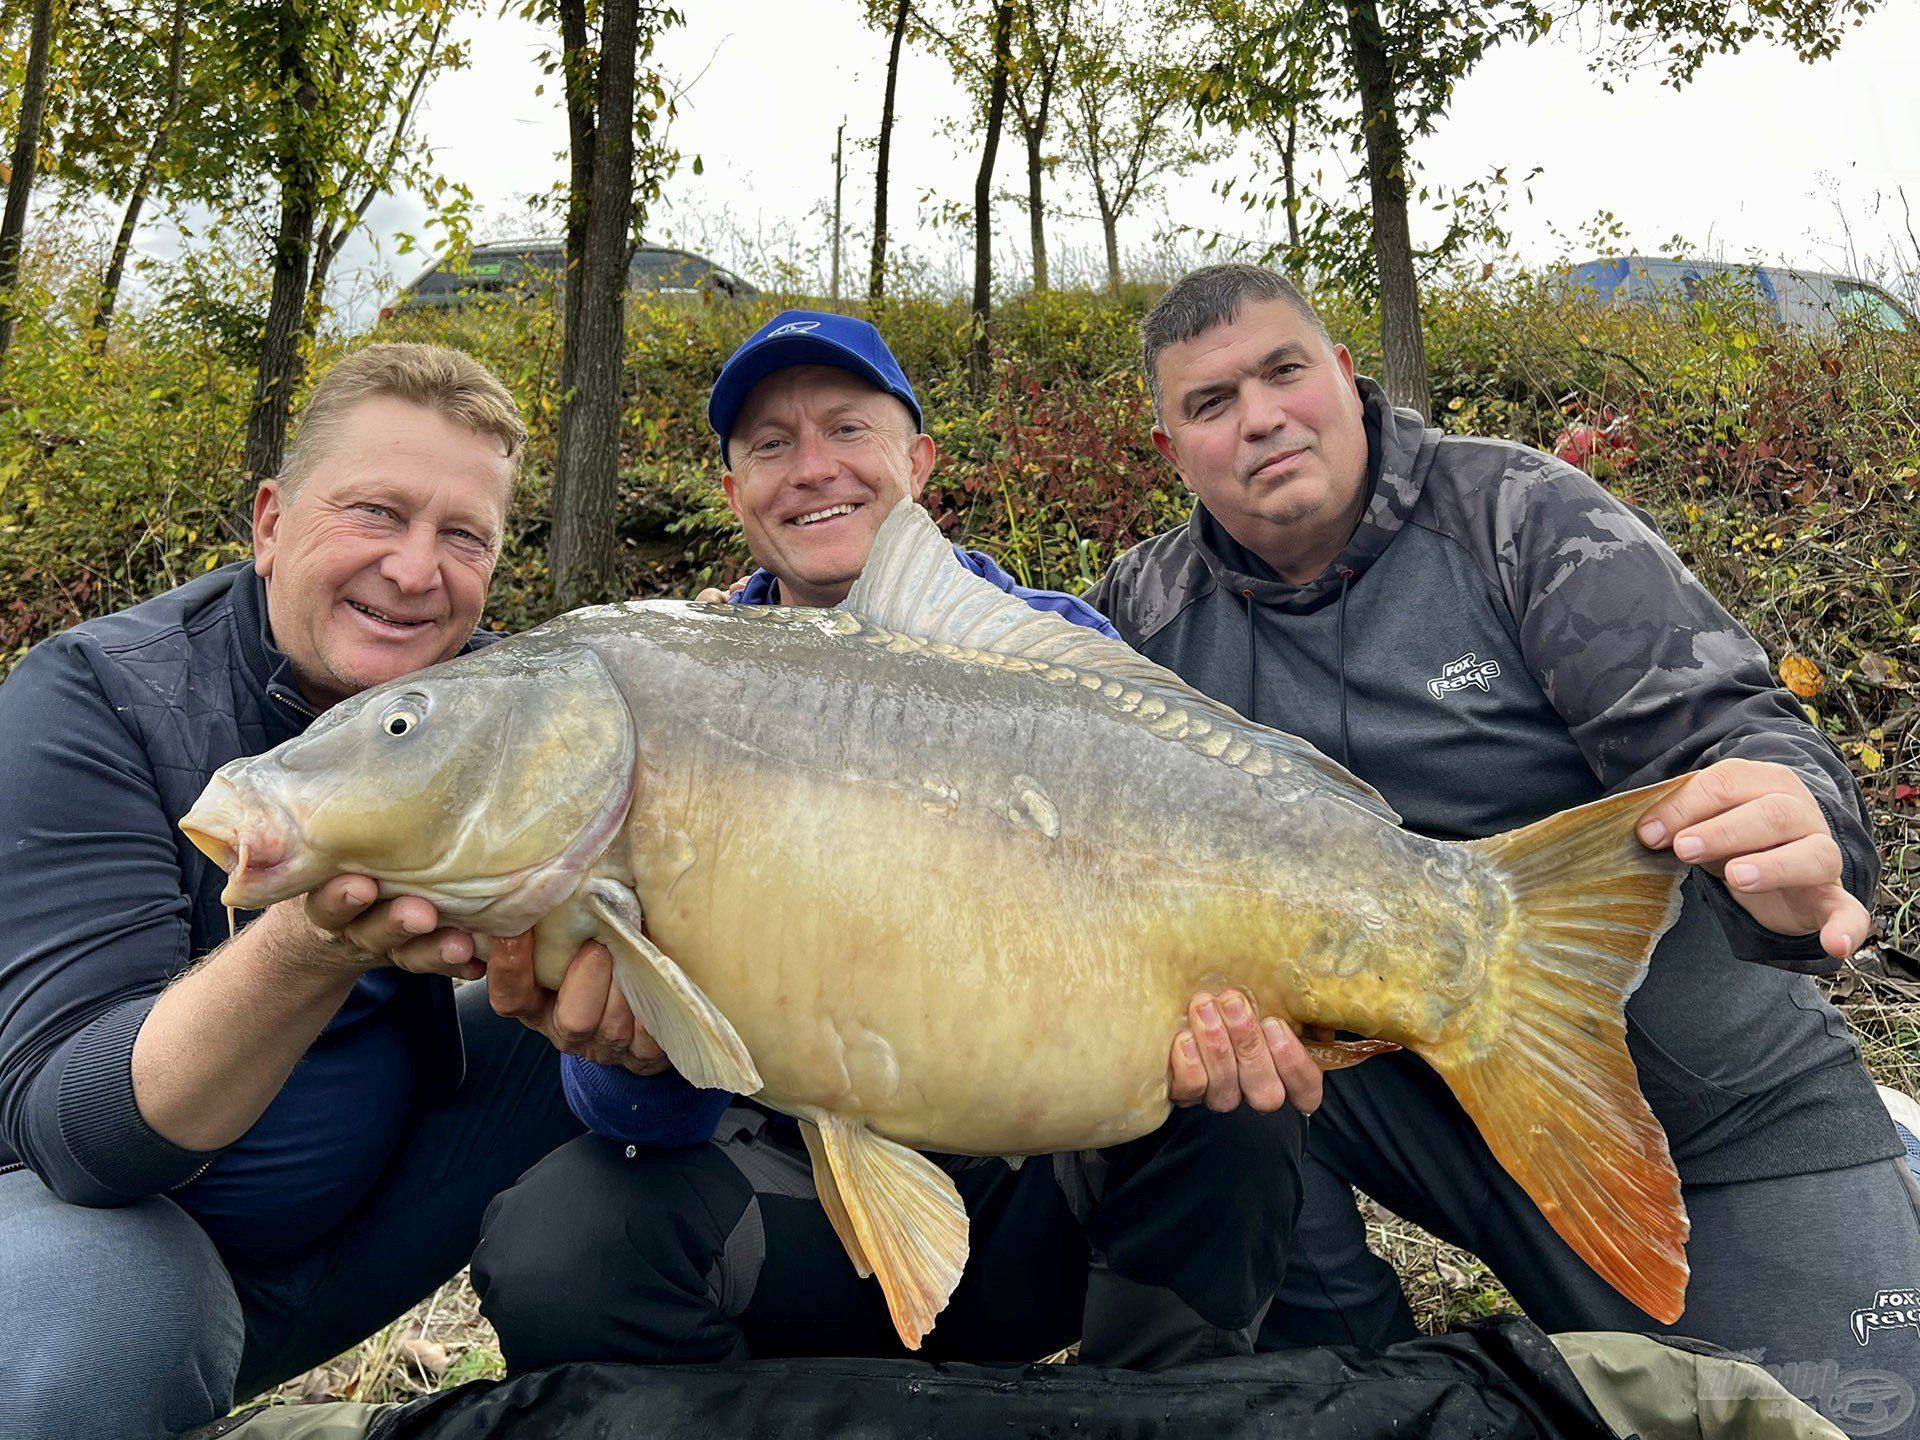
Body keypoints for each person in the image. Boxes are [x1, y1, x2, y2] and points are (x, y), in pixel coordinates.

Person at [1081, 264, 1919, 1431]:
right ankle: (1358, 1373)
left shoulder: (1518, 515)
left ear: (1342, 375)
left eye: (1284, 372)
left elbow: (1735, 732)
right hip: (1403, 1102)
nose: (1261, 416)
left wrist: (1802, 825)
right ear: (1172, 448)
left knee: (1841, 1417)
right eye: (1212, 404)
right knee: (1216, 1084)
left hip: (1719, 1101)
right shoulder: (1144, 613)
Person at [471, 311, 1314, 1373]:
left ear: (918, 460)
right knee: (560, 1241)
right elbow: (627, 1115)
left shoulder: (1065, 663)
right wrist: (627, 1053)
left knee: (1241, 1115)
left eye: (848, 429)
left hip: (1043, 1174)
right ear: (735, 496)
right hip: (795, 1199)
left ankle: (1147, 1405)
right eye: (770, 445)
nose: (812, 467)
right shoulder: (660, 697)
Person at [0, 344, 588, 1439]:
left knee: (628, 1029)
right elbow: (78, 1139)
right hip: (86, 1255)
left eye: (464, 537)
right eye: (377, 512)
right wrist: (314, 942)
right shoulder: (95, 703)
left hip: (366, 1232)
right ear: (270, 523)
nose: (417, 572)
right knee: (113, 1309)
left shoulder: (508, 704)